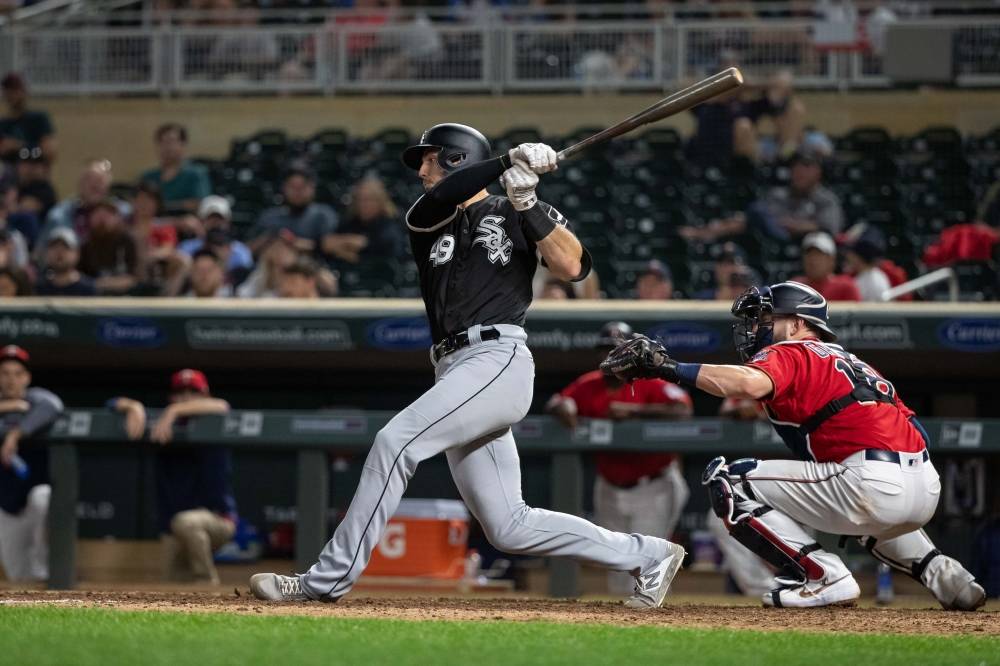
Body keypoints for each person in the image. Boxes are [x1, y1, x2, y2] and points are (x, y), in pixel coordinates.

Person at [249, 124, 685, 608]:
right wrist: (505, 163)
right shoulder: (427, 218)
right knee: (508, 526)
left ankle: (326, 579)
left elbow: (574, 267)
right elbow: (455, 192)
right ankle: (648, 555)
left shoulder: (514, 211)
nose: (420, 170)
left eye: (430, 159)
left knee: (396, 442)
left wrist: (528, 204)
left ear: (456, 158)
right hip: (455, 368)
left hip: (496, 358)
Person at [600, 281, 987, 610]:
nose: (757, 328)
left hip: (870, 480)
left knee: (731, 481)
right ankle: (947, 577)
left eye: (767, 319)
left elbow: (750, 384)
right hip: (924, 484)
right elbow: (921, 431)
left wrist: (667, 368)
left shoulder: (791, 350)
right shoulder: (854, 361)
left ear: (799, 323)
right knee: (869, 518)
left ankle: (824, 576)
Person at [547, 321, 692, 594]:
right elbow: (556, 401)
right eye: (603, 350)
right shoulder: (589, 385)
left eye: (614, 350)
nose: (608, 356)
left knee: (650, 565)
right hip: (610, 486)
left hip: (653, 485)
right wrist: (561, 405)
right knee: (616, 566)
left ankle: (657, 627)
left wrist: (635, 412)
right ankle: (624, 626)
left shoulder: (649, 381)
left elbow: (682, 410)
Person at [109, 369, 236, 584]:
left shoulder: (213, 419)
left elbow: (222, 406)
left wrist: (175, 410)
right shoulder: (161, 424)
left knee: (186, 522)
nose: (186, 396)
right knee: (172, 588)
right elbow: (111, 403)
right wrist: (133, 406)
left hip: (216, 520)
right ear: (171, 395)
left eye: (193, 391)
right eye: (180, 392)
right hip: (173, 530)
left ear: (205, 395)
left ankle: (207, 582)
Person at [681, 149, 843, 244]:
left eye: (807, 166)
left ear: (818, 172)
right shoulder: (778, 194)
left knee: (756, 211)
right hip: (771, 238)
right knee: (752, 215)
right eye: (796, 166)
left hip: (807, 245)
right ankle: (706, 232)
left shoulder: (826, 199)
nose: (800, 171)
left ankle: (706, 232)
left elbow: (829, 228)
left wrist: (792, 225)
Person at [0, 345, 64, 582]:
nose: (11, 380)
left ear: (26, 378)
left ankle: (43, 561)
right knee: (19, 578)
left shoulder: (35, 399)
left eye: (17, 374)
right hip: (6, 504)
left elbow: (54, 406)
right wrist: (7, 406)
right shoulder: (11, 403)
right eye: (5, 373)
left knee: (42, 497)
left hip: (33, 493)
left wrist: (15, 435)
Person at [37, 159, 131, 258]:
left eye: (100, 180)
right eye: (89, 179)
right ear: (80, 183)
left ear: (108, 185)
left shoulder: (124, 211)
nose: (95, 185)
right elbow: (42, 253)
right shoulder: (59, 215)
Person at [248, 164, 339, 257]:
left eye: (302, 186)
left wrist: (294, 243)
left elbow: (334, 246)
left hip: (312, 267)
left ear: (312, 188)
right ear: (283, 188)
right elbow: (247, 251)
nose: (297, 191)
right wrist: (269, 238)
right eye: (292, 186)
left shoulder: (323, 214)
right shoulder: (269, 216)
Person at [322, 177, 404, 265]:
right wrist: (351, 242)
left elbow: (382, 255)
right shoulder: (350, 222)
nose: (364, 204)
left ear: (381, 201)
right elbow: (327, 243)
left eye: (369, 200)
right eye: (360, 199)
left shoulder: (389, 225)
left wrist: (347, 246)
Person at [178, 195, 254, 283]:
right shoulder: (186, 248)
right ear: (202, 221)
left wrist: (224, 261)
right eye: (211, 219)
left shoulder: (240, 252)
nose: (216, 224)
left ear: (228, 223)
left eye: (220, 219)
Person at [140, 124, 212, 215]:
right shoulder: (148, 176)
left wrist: (158, 206)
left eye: (171, 142)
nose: (166, 147)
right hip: (154, 225)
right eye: (162, 142)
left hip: (187, 225)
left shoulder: (196, 174)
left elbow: (198, 204)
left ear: (183, 145)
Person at [78, 200, 142, 295]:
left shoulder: (127, 242)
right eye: (97, 214)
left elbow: (132, 278)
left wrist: (102, 283)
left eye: (107, 215)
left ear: (118, 218)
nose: (102, 219)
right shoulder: (85, 246)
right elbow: (80, 279)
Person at [0, 73, 56, 165]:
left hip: (34, 176)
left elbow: (49, 153)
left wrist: (19, 147)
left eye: (15, 90)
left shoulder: (38, 119)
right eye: (8, 91)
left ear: (24, 91)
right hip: (9, 176)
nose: (11, 95)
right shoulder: (3, 124)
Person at [793, 232, 861, 302]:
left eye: (819, 255)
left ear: (831, 260)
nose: (813, 260)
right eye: (809, 255)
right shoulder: (794, 287)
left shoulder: (846, 287)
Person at [34, 227, 97, 296]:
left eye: (66, 247)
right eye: (54, 246)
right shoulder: (38, 288)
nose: (59, 251)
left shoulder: (89, 288)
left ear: (77, 253)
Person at [841, 226, 891, 302]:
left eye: (851, 252)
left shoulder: (872, 282)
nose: (847, 255)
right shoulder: (871, 276)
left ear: (859, 256)